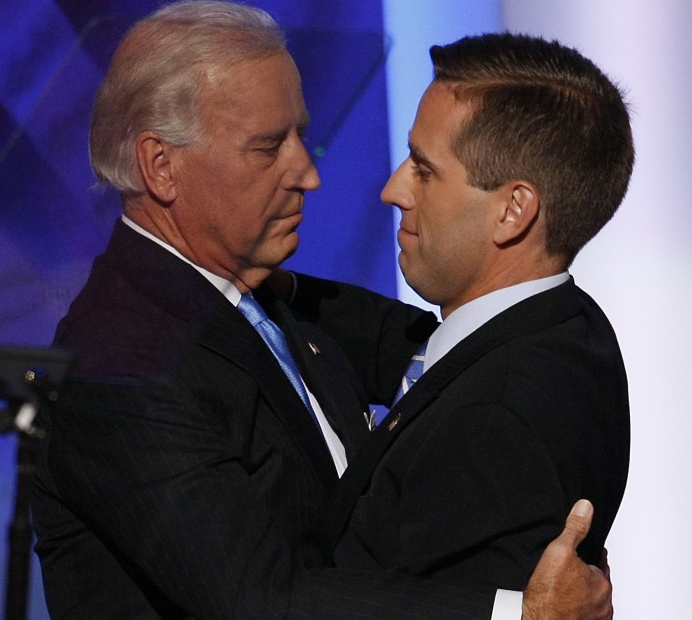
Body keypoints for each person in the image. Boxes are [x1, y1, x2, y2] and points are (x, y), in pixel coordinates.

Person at [30, 3, 613, 619]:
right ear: (161, 166)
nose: (307, 173)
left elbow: (452, 342)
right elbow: (258, 601)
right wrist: (518, 614)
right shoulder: (120, 367)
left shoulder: (262, 295)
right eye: (267, 147)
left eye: (300, 135)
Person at [283, 31, 632, 615]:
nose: (394, 189)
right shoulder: (568, 325)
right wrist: (270, 283)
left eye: (424, 169)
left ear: (512, 210)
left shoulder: (493, 421)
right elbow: (402, 341)